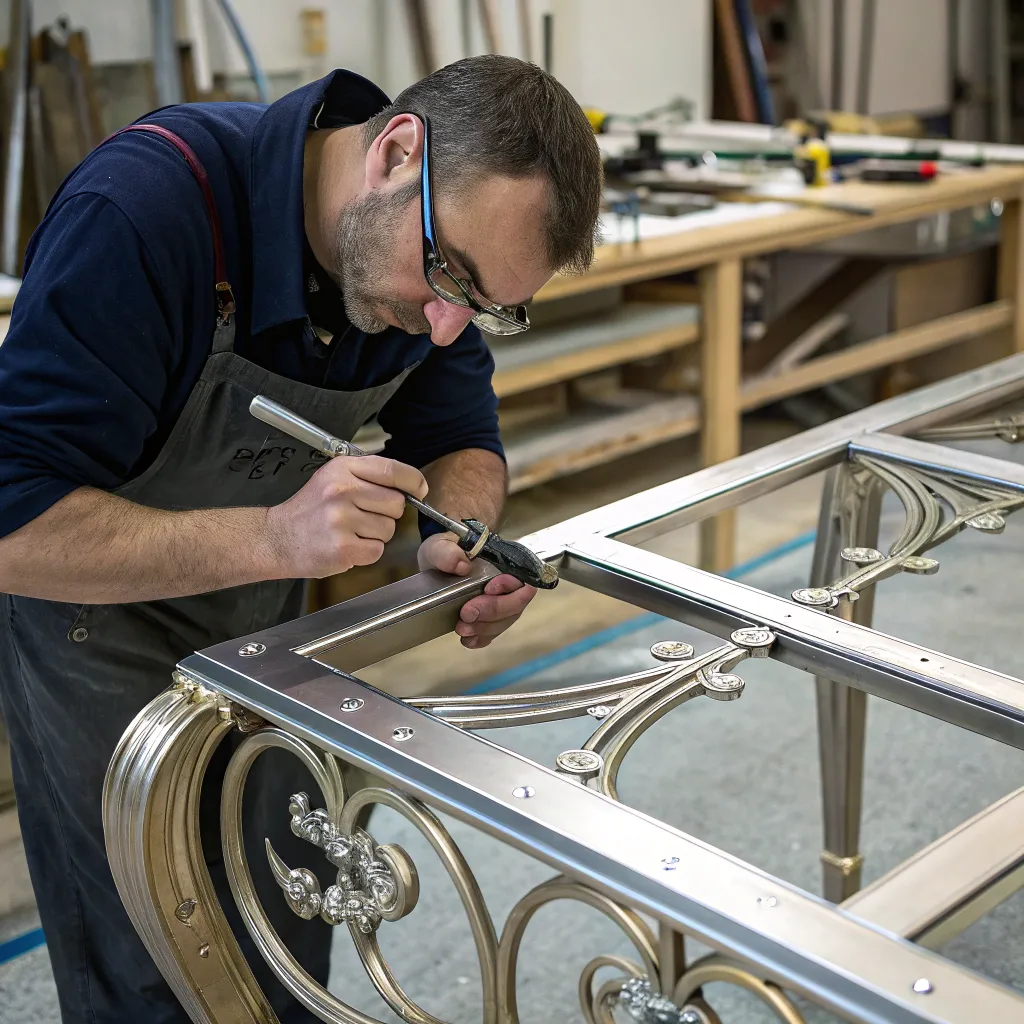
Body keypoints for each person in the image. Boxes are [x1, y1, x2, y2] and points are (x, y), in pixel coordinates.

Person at [0, 56, 602, 1022]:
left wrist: (463, 530)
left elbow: (460, 439)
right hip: (89, 633)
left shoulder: (427, 270)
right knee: (150, 949)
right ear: (397, 154)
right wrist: (277, 537)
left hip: (260, 622)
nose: (449, 327)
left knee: (288, 901)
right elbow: (12, 522)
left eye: (489, 308)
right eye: (450, 278)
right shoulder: (146, 211)